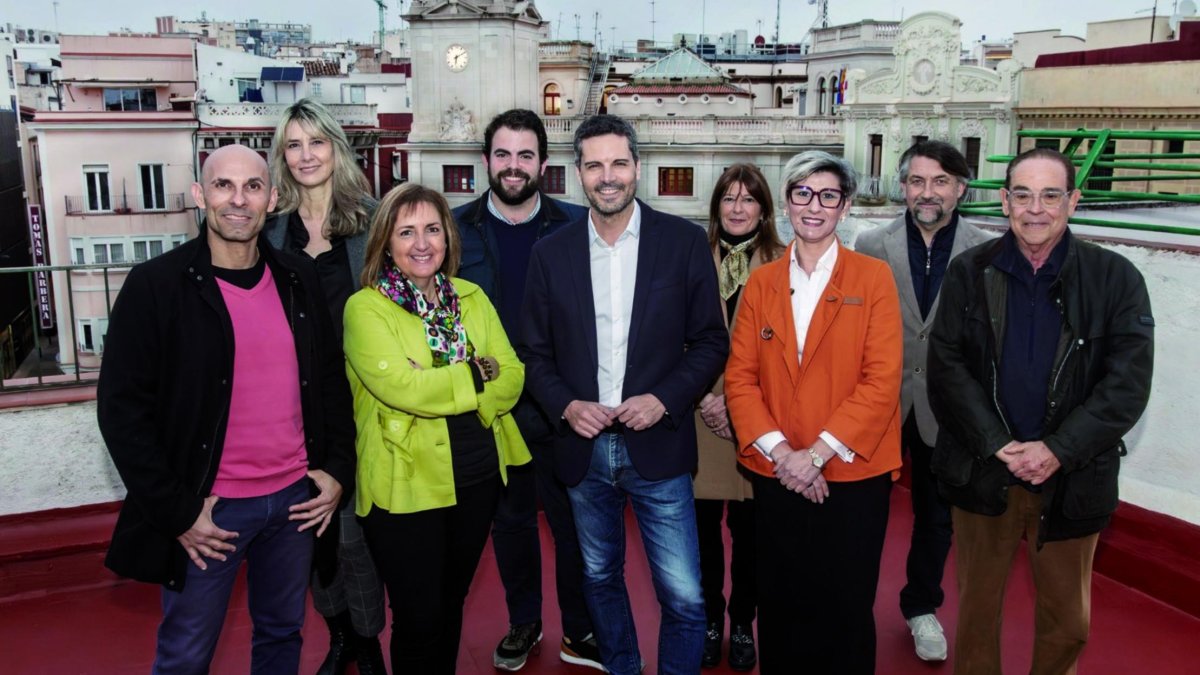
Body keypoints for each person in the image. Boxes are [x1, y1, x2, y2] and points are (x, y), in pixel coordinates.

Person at [97, 144, 356, 674]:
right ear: (199, 195)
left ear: (272, 198)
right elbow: (121, 412)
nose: (238, 200)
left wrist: (336, 470)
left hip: (293, 503)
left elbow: (330, 379)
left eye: (253, 187)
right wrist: (179, 512)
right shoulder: (155, 287)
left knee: (283, 636)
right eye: (223, 186)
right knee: (186, 654)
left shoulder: (296, 278)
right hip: (209, 514)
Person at [927, 147, 1154, 675]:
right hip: (986, 473)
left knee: (1067, 624)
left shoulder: (1116, 279)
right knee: (976, 618)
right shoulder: (968, 271)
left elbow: (1126, 386)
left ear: (1073, 201)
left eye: (1051, 195)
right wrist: (996, 444)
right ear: (1004, 202)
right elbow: (947, 368)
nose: (1036, 208)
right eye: (1023, 194)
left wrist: (1057, 449)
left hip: (1072, 479)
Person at [518, 114, 728, 675]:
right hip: (584, 453)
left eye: (617, 163)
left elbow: (711, 341)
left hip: (658, 445)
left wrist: (664, 399)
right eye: (593, 165)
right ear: (577, 173)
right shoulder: (551, 252)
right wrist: (565, 405)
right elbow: (532, 354)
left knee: (684, 596)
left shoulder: (681, 243)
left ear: (638, 167)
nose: (606, 177)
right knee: (599, 580)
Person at [724, 150, 903, 675]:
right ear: (786, 203)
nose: (814, 206)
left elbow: (881, 381)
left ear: (844, 207)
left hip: (851, 474)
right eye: (803, 193)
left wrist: (817, 456)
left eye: (828, 195)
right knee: (781, 604)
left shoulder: (873, 280)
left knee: (845, 607)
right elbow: (741, 379)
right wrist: (785, 456)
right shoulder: (760, 284)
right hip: (778, 474)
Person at [343, 182, 530, 674]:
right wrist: (474, 369)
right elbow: (403, 389)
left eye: (432, 229)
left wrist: (439, 380)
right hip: (406, 481)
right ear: (385, 242)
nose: (421, 243)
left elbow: (511, 376)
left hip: (477, 474)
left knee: (451, 603)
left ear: (448, 237)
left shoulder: (471, 297)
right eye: (406, 232)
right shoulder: (365, 308)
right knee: (418, 614)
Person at [450, 109, 599, 671]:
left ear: (544, 163)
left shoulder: (576, 227)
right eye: (504, 155)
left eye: (526, 156)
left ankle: (580, 632)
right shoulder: (454, 230)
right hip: (493, 409)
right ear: (487, 161)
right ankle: (524, 623)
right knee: (510, 525)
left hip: (561, 406)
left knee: (574, 527)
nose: (514, 167)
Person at [854, 140, 993, 662]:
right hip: (879, 404)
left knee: (937, 518)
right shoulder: (870, 243)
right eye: (916, 181)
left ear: (960, 188)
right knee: (862, 512)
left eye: (939, 182)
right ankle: (853, 603)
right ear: (903, 187)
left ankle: (920, 608)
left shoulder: (985, 252)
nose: (926, 193)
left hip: (948, 411)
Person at [264, 97, 386, 675]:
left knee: (356, 538)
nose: (305, 155)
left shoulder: (372, 220)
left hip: (362, 403)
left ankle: (367, 643)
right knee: (309, 531)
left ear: (336, 148)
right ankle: (338, 637)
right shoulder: (270, 231)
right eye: (293, 144)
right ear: (281, 156)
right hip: (288, 407)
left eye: (316, 142)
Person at [692, 163, 783, 671]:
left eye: (749, 199)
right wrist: (706, 396)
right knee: (703, 534)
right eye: (728, 198)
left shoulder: (784, 262)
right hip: (699, 416)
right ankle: (710, 619)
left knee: (750, 536)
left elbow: (785, 352)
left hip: (758, 419)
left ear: (765, 209)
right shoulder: (692, 258)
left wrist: (732, 401)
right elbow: (675, 335)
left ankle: (744, 622)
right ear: (716, 207)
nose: (738, 208)